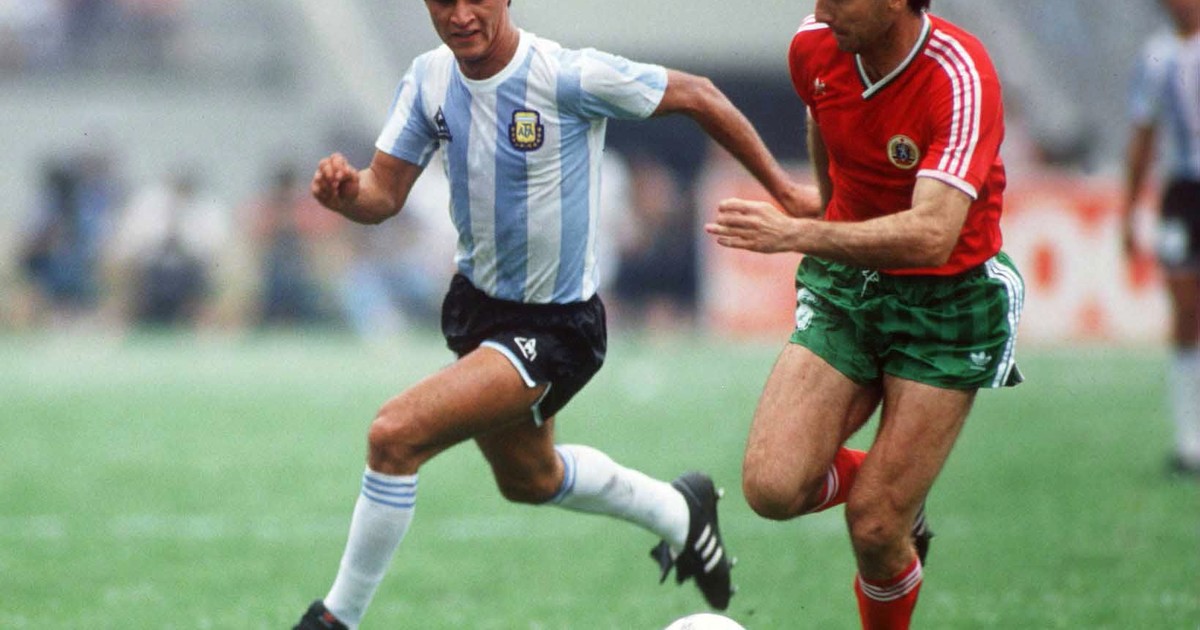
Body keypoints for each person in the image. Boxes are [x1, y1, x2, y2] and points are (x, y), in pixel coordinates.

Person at [293, 1, 809, 628]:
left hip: (555, 329)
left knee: (393, 435)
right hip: (477, 313)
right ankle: (680, 512)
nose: (460, 15)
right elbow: (383, 193)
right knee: (531, 478)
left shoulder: (566, 75)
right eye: (443, 1)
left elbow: (698, 94)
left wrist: (785, 191)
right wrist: (348, 195)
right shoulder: (429, 78)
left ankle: (334, 619)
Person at [704, 1, 1023, 628]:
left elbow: (932, 236)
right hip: (851, 285)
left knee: (875, 526)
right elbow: (823, 112)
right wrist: (827, 201)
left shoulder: (960, 74)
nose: (821, 8)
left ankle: (893, 502)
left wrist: (797, 232)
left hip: (948, 303)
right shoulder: (815, 44)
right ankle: (897, 491)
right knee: (771, 489)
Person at [1119, 0, 1200, 477]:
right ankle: (1190, 441)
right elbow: (1142, 137)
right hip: (1183, 197)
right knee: (1186, 308)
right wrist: (1128, 212)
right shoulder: (1156, 55)